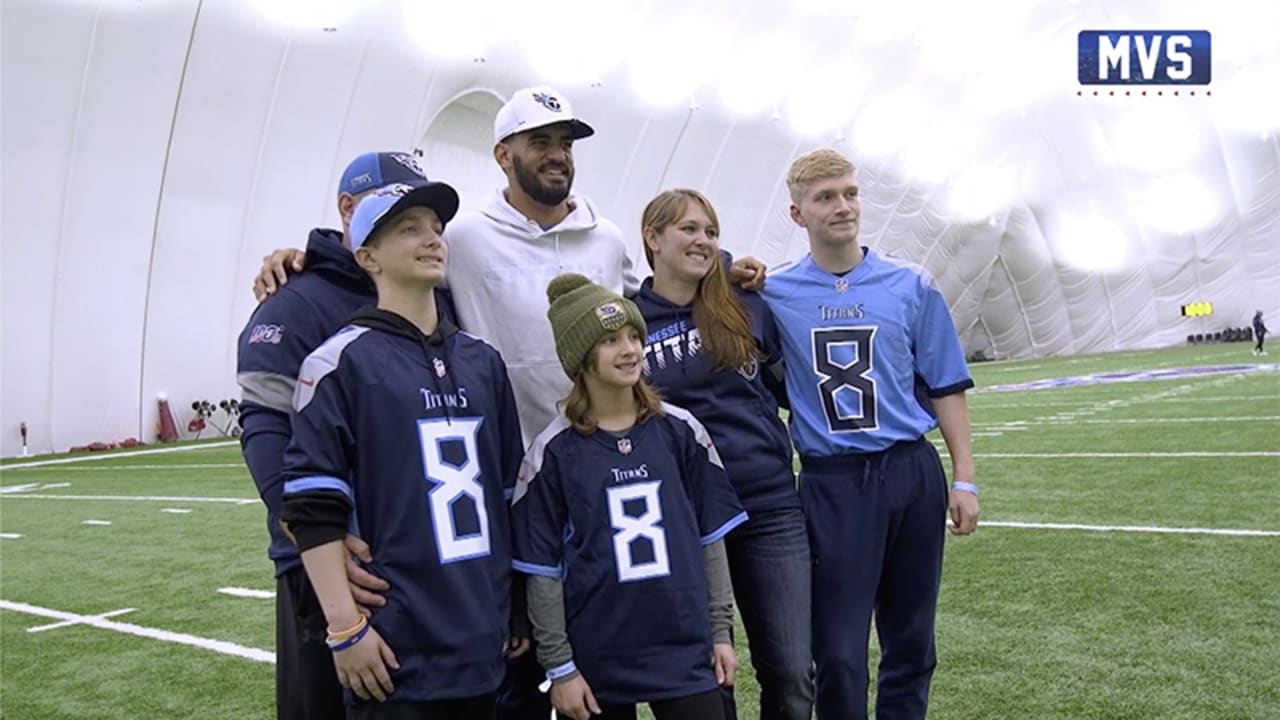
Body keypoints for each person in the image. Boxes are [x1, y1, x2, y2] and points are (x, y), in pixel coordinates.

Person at [280, 180, 524, 719]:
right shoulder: (339, 363)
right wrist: (344, 626)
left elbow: (509, 496)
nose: (432, 239)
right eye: (408, 229)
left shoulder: (484, 361)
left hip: (483, 640)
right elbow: (314, 508)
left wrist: (518, 610)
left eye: (436, 229)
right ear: (367, 255)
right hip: (395, 647)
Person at [237, 151, 459, 720]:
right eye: (399, 215)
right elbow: (265, 426)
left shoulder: (439, 294)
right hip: (329, 561)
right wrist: (317, 537)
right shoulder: (297, 299)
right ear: (348, 210)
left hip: (420, 552)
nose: (422, 234)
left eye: (426, 220)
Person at [759, 148, 980, 720]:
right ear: (796, 213)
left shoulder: (909, 284)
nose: (842, 206)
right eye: (825, 197)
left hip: (910, 470)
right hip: (833, 483)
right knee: (837, 651)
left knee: (911, 641)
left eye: (850, 193)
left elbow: (946, 384)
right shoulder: (773, 293)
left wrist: (965, 479)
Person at [511, 273, 748, 720]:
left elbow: (710, 539)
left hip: (683, 649)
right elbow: (543, 571)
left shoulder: (680, 431)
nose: (630, 350)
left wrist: (720, 632)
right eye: (611, 341)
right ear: (581, 358)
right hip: (600, 655)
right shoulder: (553, 452)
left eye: (634, 336)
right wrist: (560, 668)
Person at [632, 189, 813, 720]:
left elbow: (788, 390)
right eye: (689, 229)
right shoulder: (629, 322)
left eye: (711, 231)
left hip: (768, 505)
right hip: (686, 520)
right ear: (652, 238)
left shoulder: (747, 304)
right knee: (710, 676)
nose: (704, 240)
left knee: (793, 671)